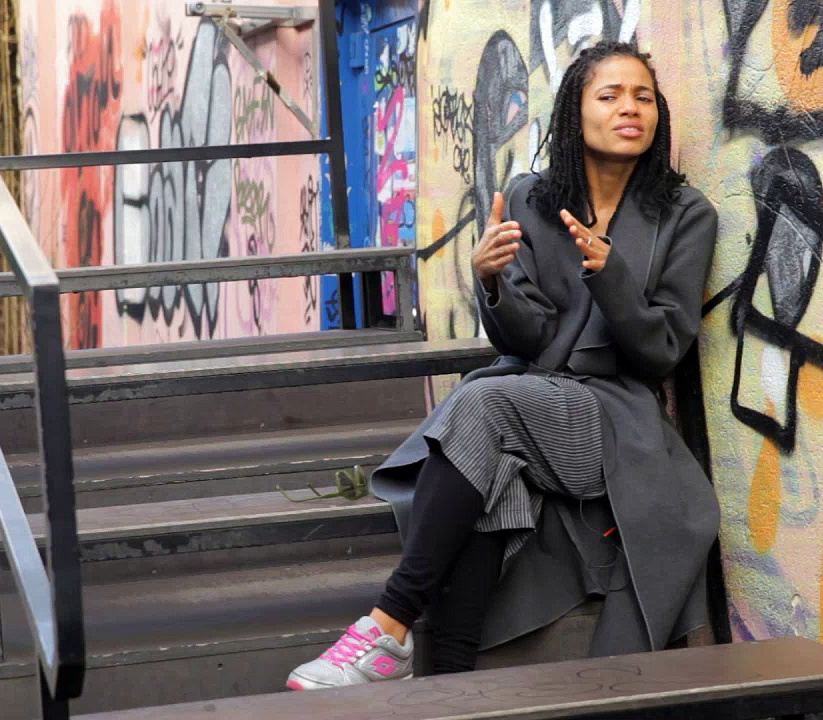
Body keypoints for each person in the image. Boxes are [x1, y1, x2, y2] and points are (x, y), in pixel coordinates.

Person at [286, 40, 720, 691]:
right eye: (610, 95)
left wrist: (613, 277)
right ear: (575, 111)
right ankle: (450, 682)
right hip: (536, 399)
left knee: (483, 405)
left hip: (617, 424)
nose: (630, 108)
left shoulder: (686, 215)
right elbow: (529, 338)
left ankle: (389, 624)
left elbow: (661, 352)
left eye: (643, 97)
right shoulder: (529, 199)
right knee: (494, 482)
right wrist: (491, 281)